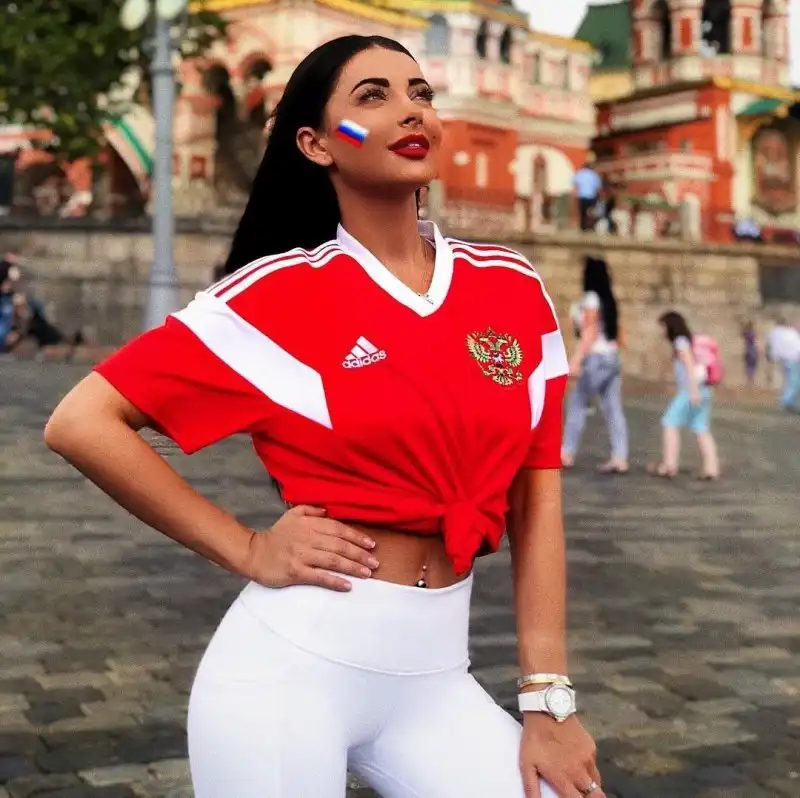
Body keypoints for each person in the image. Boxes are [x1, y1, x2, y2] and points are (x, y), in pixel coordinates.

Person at [43, 36, 603, 798]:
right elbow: (81, 421)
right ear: (316, 143)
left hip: (437, 682)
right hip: (286, 679)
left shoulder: (512, 287)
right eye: (372, 97)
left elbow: (538, 499)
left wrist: (548, 700)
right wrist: (246, 547)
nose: (411, 110)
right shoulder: (276, 296)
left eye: (420, 93)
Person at [561, 257, 629, 474]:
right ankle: (620, 457)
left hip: (596, 358)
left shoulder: (590, 298)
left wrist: (575, 360)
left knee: (578, 402)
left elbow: (589, 332)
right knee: (613, 408)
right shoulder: (609, 300)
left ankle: (567, 452)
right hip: (611, 357)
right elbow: (618, 334)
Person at [648, 311, 720, 480]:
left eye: (662, 326)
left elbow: (689, 364)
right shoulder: (689, 340)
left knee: (669, 422)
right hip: (704, 390)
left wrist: (693, 390)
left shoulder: (680, 342)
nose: (661, 330)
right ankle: (711, 468)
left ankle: (669, 464)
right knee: (701, 428)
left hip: (691, 390)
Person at [573, 159, 601, 232]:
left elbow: (576, 184)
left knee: (582, 212)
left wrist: (575, 194)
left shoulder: (579, 173)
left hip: (582, 196)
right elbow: (598, 187)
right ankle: (591, 226)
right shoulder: (594, 174)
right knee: (591, 212)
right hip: (592, 196)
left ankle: (583, 227)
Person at [742, 320, 758, 387]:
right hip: (752, 350)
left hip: (748, 350)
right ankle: (751, 380)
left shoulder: (746, 333)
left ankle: (749, 380)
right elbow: (755, 342)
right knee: (752, 365)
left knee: (749, 365)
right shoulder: (752, 333)